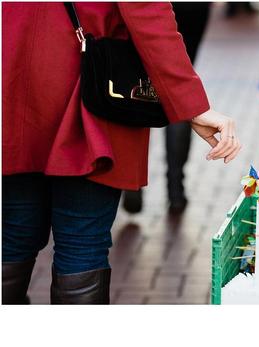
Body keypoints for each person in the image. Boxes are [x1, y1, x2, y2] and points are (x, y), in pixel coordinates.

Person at [2, 2, 241, 305]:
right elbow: (147, 11)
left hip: (12, 82)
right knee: (81, 242)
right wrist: (194, 106)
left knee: (12, 235)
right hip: (85, 90)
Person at [123, 2, 212, 215]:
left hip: (138, 9)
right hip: (191, 8)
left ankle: (131, 181)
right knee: (177, 81)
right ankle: (176, 189)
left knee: (134, 85)